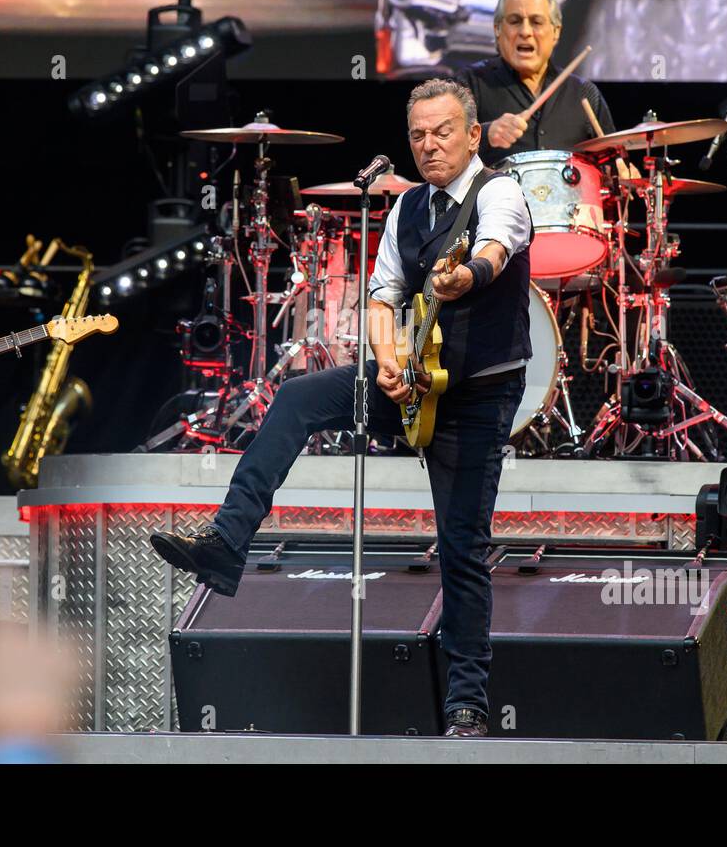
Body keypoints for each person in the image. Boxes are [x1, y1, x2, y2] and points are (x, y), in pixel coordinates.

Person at [149, 79, 532, 737]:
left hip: (476, 392)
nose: (428, 144)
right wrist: (387, 361)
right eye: (417, 134)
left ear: (473, 135)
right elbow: (383, 297)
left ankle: (467, 704)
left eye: (442, 131)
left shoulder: (498, 192)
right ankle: (226, 544)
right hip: (414, 376)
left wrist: (462, 276)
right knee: (298, 398)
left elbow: (494, 251)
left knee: (462, 548)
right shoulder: (409, 206)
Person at [457, 0, 615, 168]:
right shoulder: (469, 84)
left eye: (536, 22)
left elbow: (611, 162)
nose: (525, 31)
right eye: (515, 21)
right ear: (497, 29)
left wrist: (619, 170)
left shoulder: (584, 93)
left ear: (556, 32)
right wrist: (486, 134)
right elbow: (443, 150)